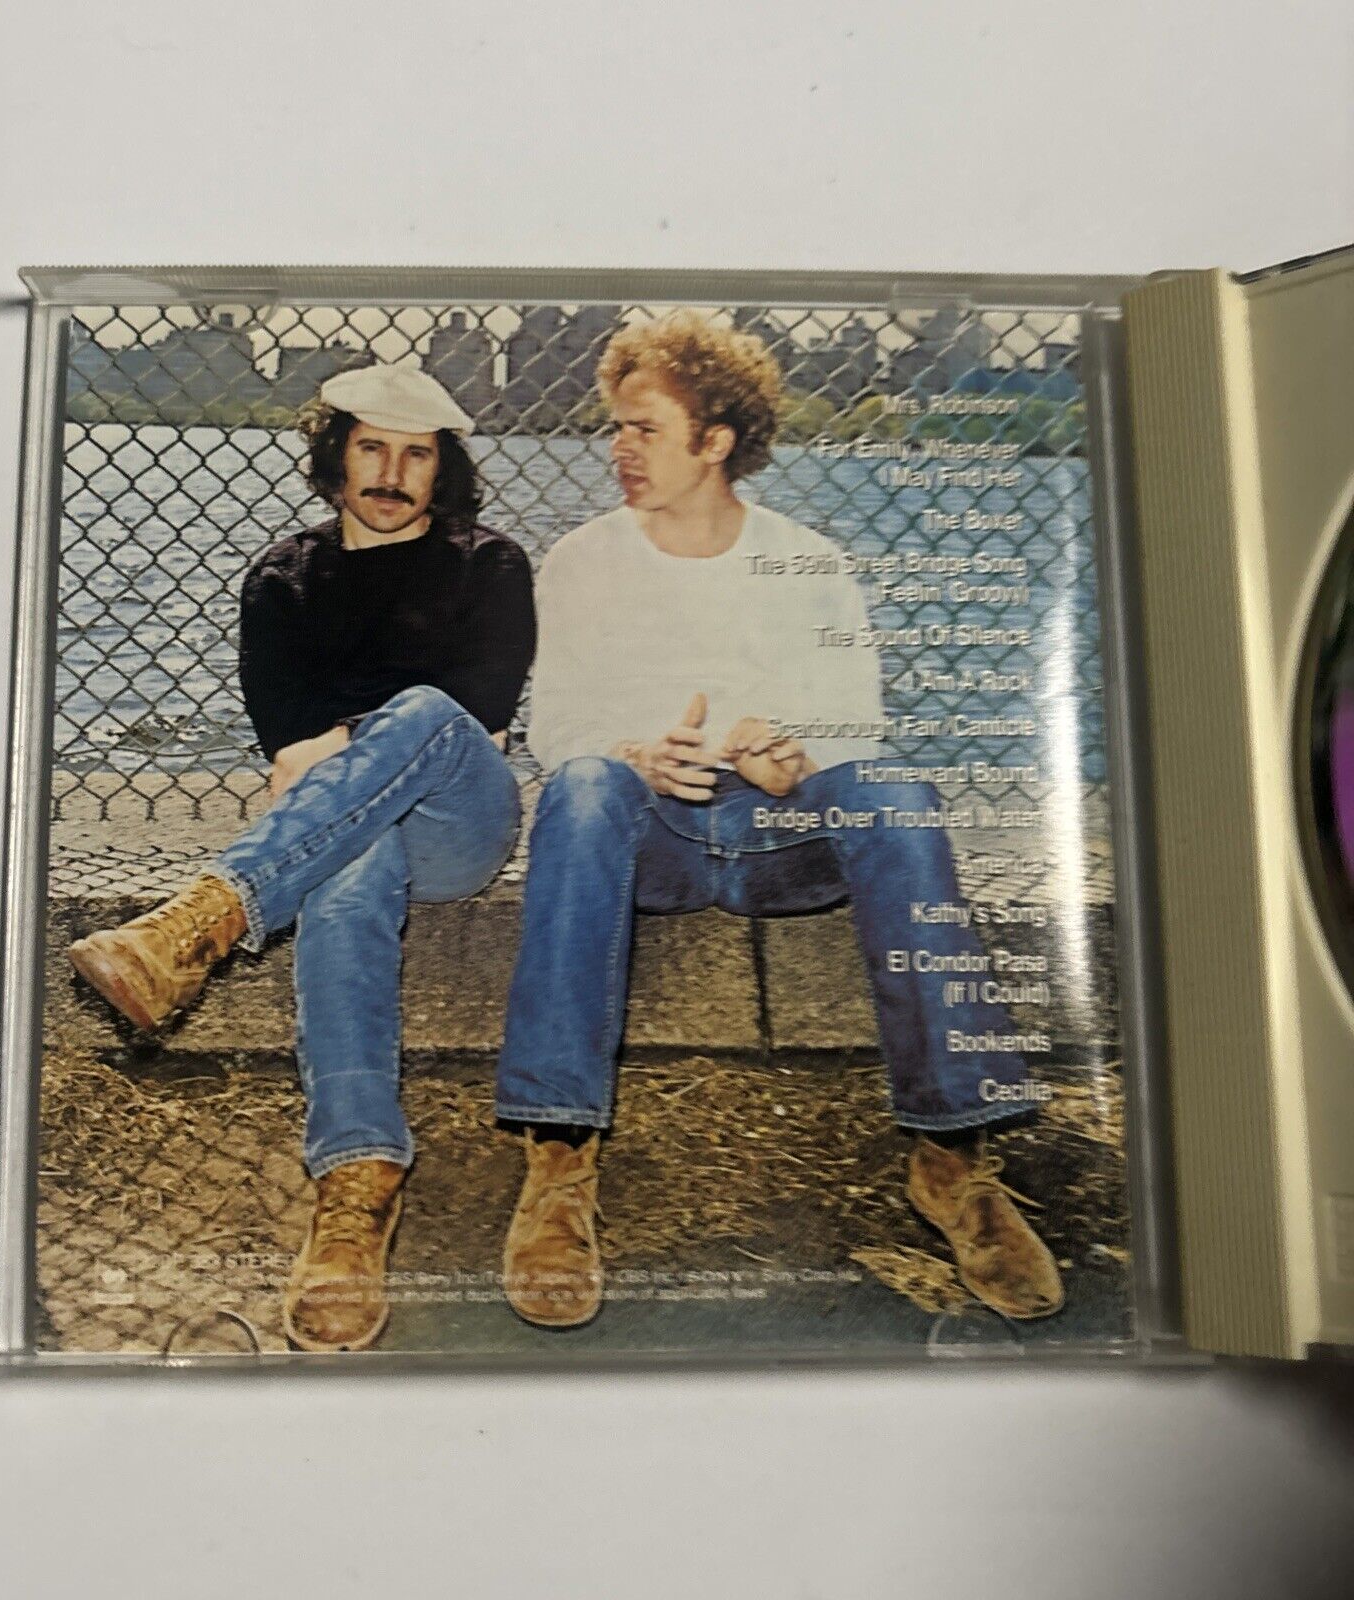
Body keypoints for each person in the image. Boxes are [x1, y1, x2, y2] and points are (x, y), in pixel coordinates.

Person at [494, 311, 1062, 1330]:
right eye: (616, 428)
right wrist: (633, 752)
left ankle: (951, 1155)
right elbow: (557, 726)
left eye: (644, 430)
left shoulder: (807, 561)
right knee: (579, 788)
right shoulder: (581, 560)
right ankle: (559, 1158)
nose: (620, 449)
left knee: (896, 796)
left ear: (714, 441)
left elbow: (858, 724)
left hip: (777, 837)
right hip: (654, 833)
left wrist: (793, 754)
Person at [68, 364, 535, 1353]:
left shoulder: (490, 565)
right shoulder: (282, 580)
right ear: (335, 457)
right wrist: (348, 761)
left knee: (426, 714)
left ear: (441, 468)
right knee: (347, 869)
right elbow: (290, 756)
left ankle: (204, 917)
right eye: (372, 448)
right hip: (346, 837)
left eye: (416, 455)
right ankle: (356, 1183)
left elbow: (478, 727)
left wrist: (356, 742)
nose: (392, 474)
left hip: (460, 822)